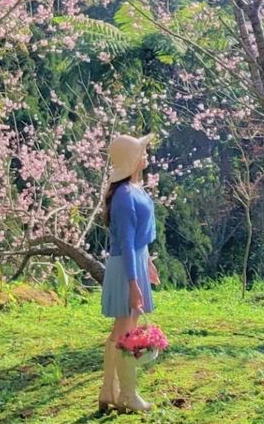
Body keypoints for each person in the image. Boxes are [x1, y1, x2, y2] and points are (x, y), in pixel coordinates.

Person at [99, 133, 159, 414]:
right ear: (131, 159)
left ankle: (108, 391)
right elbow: (124, 241)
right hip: (126, 268)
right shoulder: (123, 196)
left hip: (135, 261)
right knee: (127, 332)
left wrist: (147, 262)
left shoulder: (134, 189)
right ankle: (128, 396)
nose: (145, 153)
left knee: (121, 330)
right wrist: (134, 284)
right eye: (141, 150)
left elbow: (138, 238)